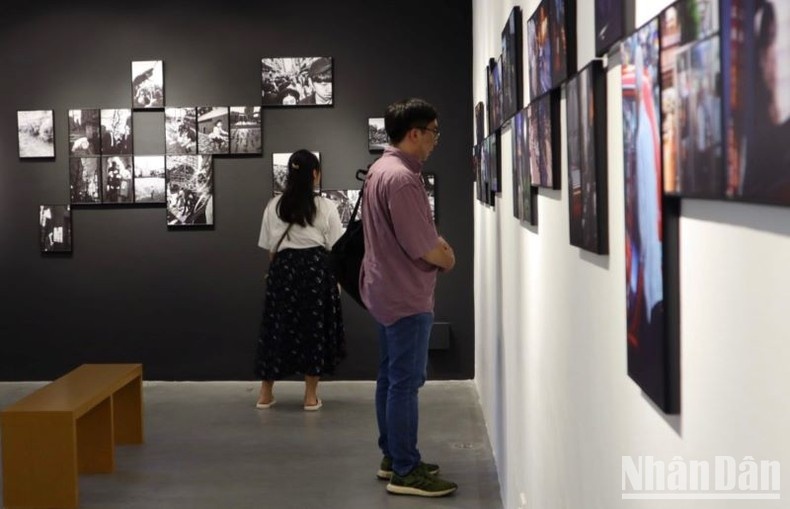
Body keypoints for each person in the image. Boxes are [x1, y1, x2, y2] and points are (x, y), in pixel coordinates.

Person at [360, 98, 457, 497]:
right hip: (405, 294)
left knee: (391, 377)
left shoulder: (380, 170)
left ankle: (393, 456)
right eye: (433, 132)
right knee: (404, 382)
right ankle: (405, 469)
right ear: (414, 133)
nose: (436, 139)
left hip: (385, 290)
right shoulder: (401, 178)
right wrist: (447, 258)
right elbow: (422, 245)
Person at [255, 150, 345, 411]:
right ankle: (310, 397)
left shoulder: (274, 205)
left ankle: (265, 394)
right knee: (313, 330)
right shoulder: (326, 206)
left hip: (283, 270)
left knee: (275, 329)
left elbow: (270, 248)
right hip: (316, 271)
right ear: (315, 174)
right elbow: (336, 247)